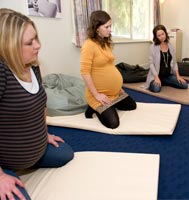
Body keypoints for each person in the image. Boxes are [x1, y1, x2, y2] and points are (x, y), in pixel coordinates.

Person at [0, 8, 74, 199]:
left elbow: (41, 104)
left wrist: (44, 134)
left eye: (36, 38)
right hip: (5, 160)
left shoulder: (34, 66)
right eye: (29, 42)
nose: (38, 45)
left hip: (36, 149)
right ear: (8, 46)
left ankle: (29, 158)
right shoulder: (2, 72)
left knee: (66, 154)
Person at [80, 10, 137, 129]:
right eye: (106, 27)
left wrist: (118, 87)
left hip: (114, 93)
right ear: (96, 28)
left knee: (132, 106)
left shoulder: (105, 43)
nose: (110, 29)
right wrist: (96, 95)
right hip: (99, 94)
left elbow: (109, 66)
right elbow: (85, 72)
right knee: (113, 124)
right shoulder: (89, 45)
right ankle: (92, 107)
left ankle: (110, 102)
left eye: (110, 26)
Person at [145, 25, 188, 93]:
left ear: (165, 33)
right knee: (156, 89)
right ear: (156, 37)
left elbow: (174, 62)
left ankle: (164, 82)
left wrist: (178, 76)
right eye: (159, 35)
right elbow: (151, 64)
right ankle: (157, 82)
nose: (162, 36)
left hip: (167, 76)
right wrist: (156, 77)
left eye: (163, 34)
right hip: (156, 76)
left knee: (184, 85)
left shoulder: (170, 45)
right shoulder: (152, 47)